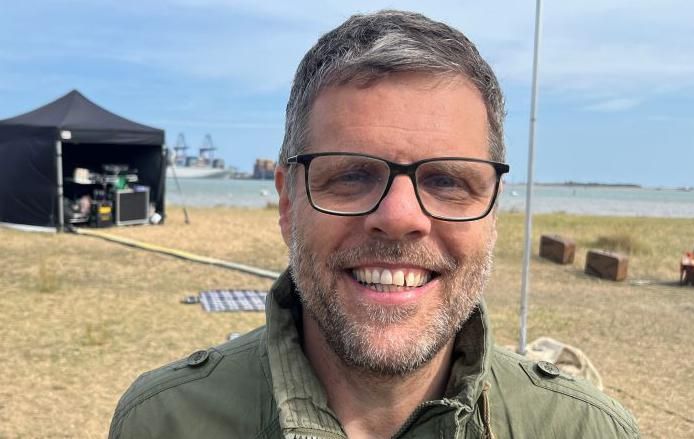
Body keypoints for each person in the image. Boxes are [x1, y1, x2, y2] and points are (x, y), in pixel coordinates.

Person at [109, 10, 639, 438]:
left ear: (493, 212)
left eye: (448, 181)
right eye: (352, 175)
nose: (400, 216)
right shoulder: (162, 423)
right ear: (287, 203)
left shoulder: (587, 430)